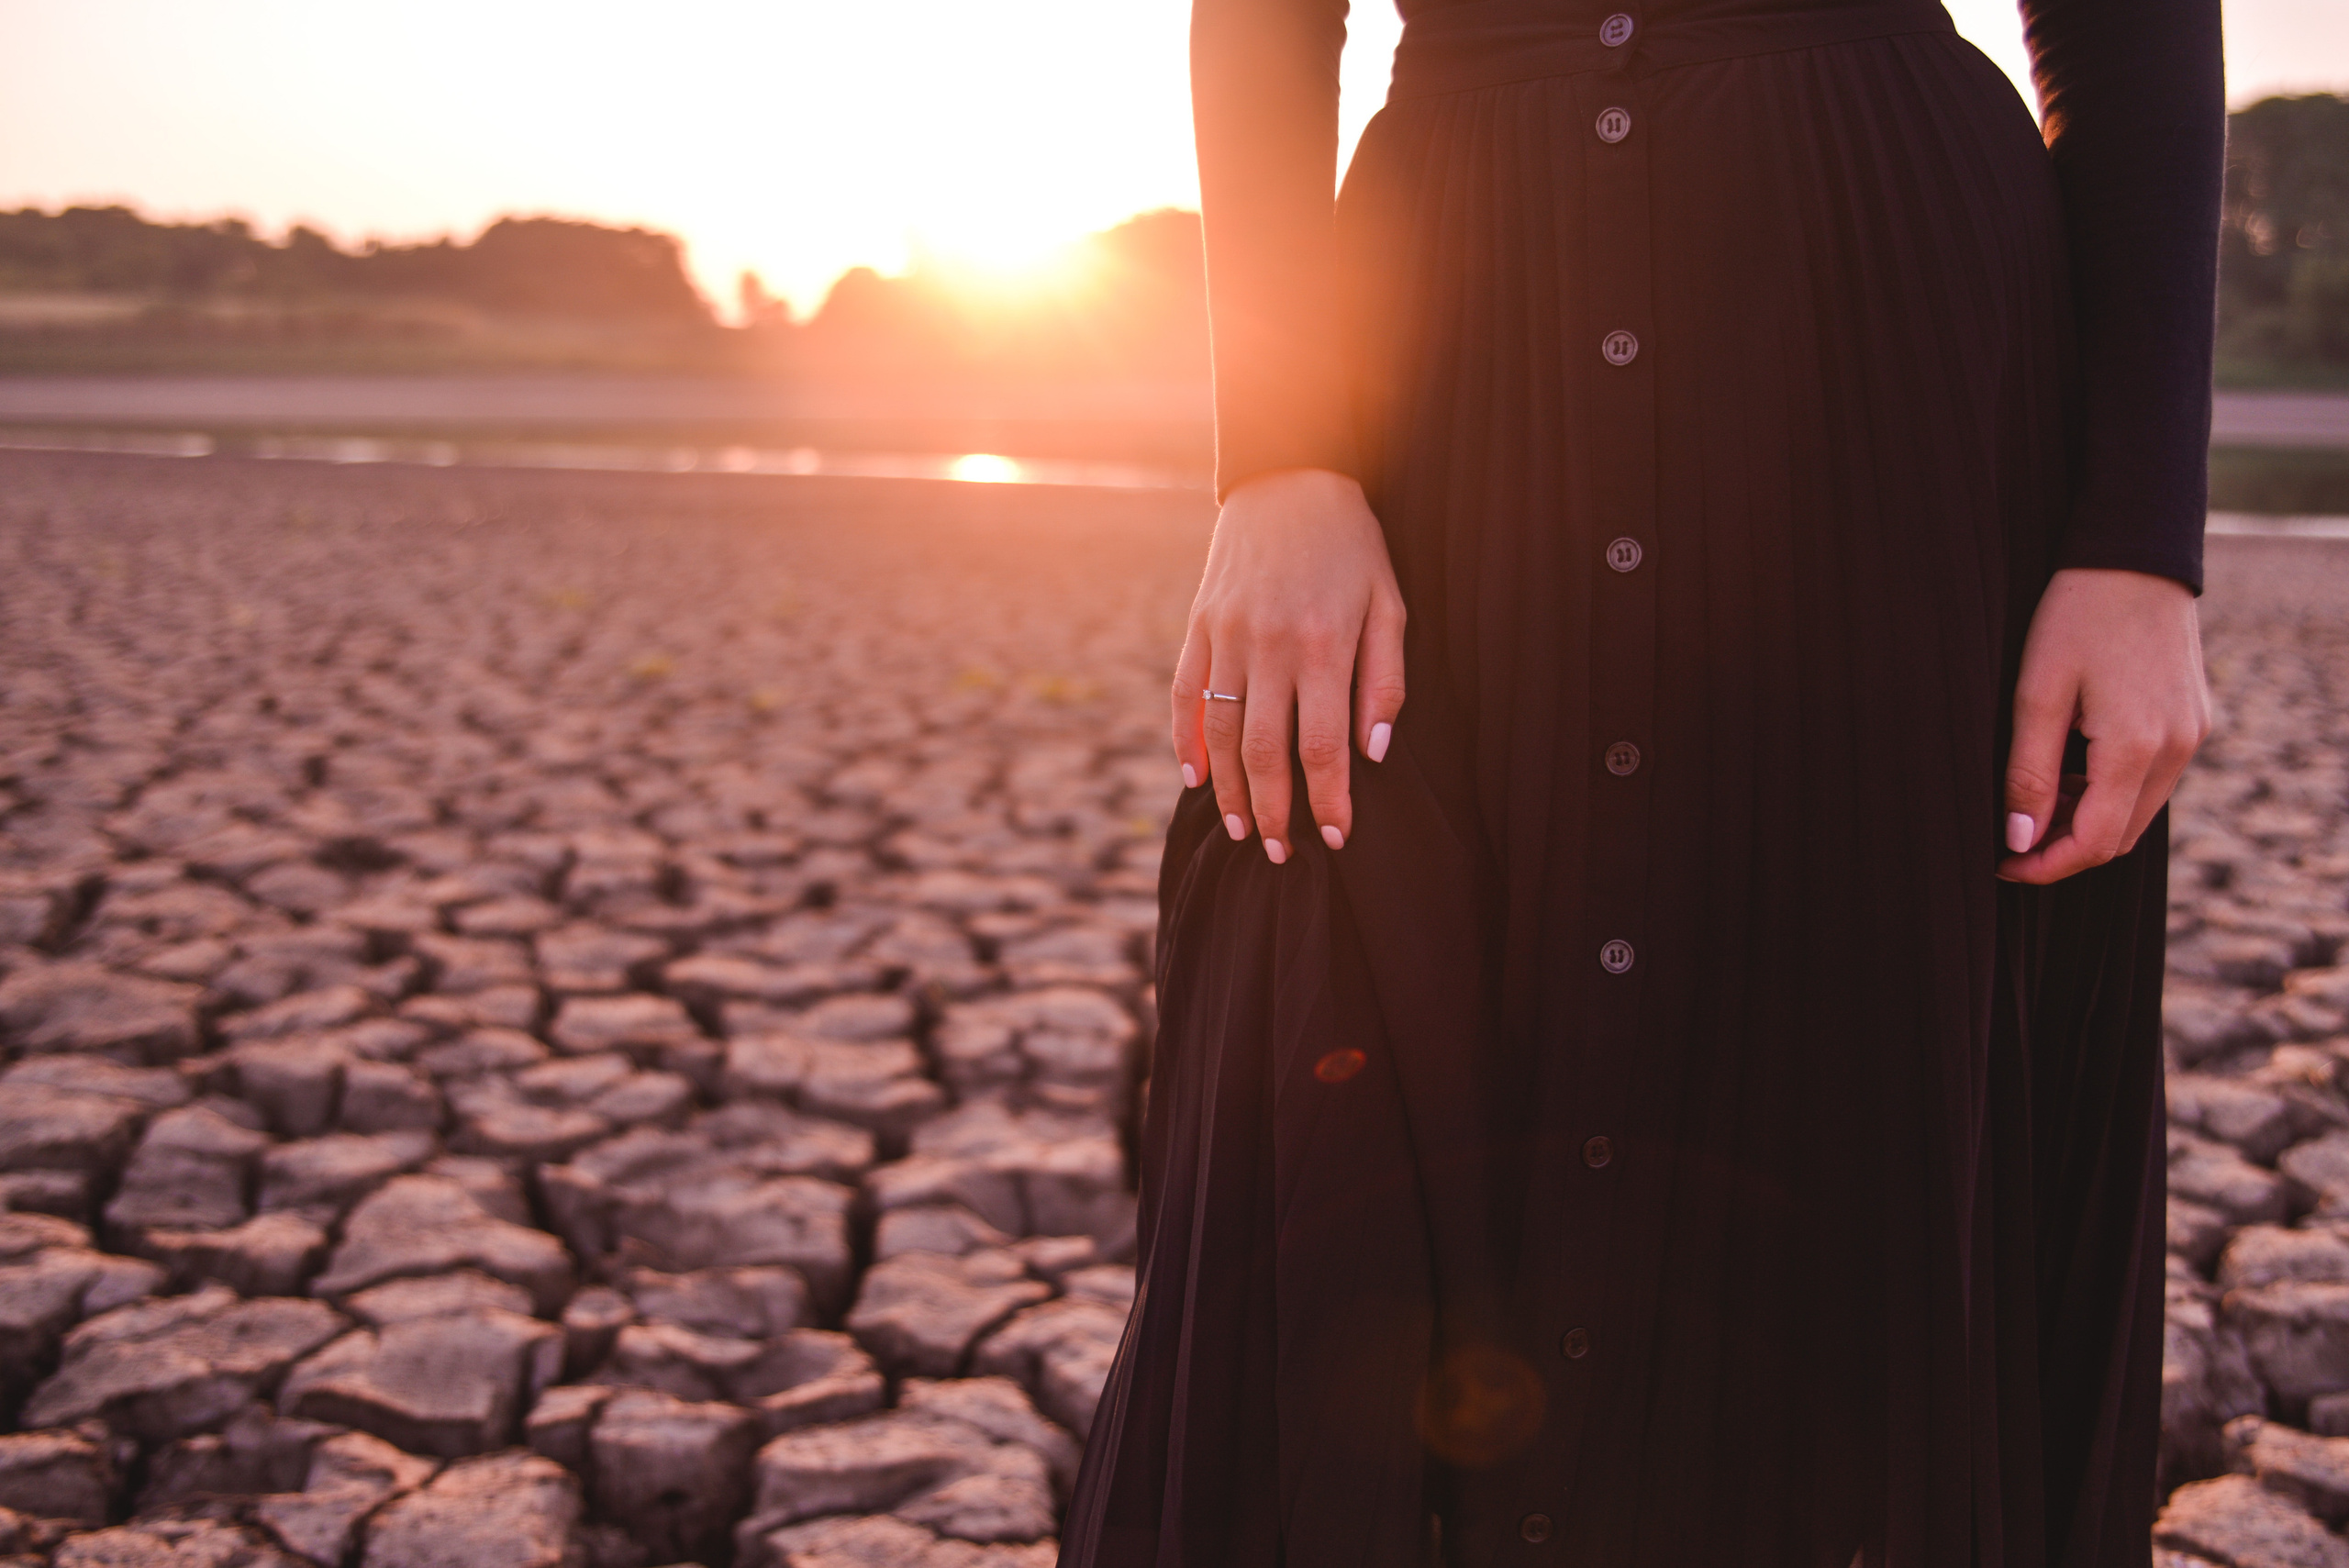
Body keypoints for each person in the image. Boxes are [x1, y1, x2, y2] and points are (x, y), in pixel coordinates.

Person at [1062, 0, 2220, 1562]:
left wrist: (2140, 544)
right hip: (1441, 326)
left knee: (1852, 1108)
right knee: (1340, 1001)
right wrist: (1277, 453)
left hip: (1894, 347)